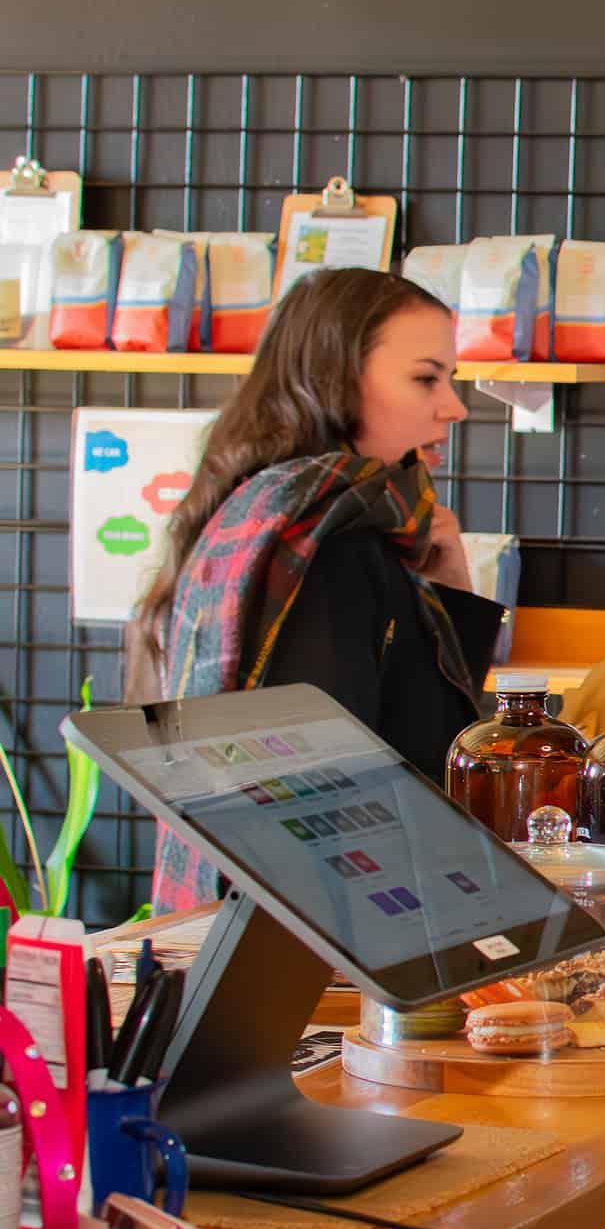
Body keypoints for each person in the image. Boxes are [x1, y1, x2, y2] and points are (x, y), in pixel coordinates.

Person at [132, 268, 499, 911]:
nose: (455, 406)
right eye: (425, 378)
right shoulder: (326, 549)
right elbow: (345, 796)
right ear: (336, 380)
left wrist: (450, 587)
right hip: (338, 940)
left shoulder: (278, 516)